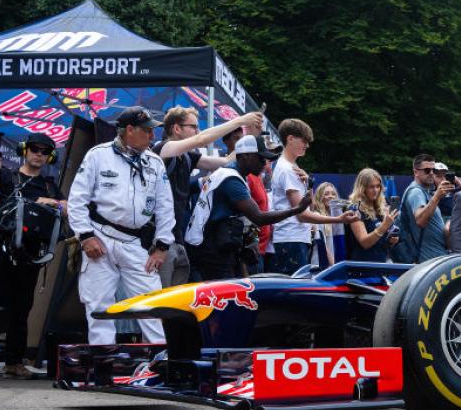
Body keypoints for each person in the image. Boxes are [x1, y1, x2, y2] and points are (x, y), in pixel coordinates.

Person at [69, 107, 175, 347]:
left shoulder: (155, 163)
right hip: (101, 236)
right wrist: (85, 237)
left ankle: (160, 362)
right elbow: (77, 199)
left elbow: (166, 208)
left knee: (152, 303)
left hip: (136, 243)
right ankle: (102, 363)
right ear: (129, 130)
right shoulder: (98, 155)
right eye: (148, 130)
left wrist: (162, 246)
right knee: (98, 305)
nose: (153, 136)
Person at [0, 132, 66, 383]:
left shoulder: (48, 184)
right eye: (35, 149)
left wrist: (52, 201)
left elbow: (69, 207)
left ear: (50, 156)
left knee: (21, 308)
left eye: (45, 151)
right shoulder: (7, 175)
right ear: (25, 149)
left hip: (30, 252)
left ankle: (14, 361)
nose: (39, 154)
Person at [152, 107, 260, 286]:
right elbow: (203, 139)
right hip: (160, 239)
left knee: (175, 301)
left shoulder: (187, 156)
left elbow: (227, 163)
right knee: (158, 299)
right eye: (193, 127)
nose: (198, 131)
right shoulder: (164, 149)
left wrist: (251, 139)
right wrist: (241, 121)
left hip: (177, 238)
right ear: (176, 129)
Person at [186, 135, 310, 281]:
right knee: (223, 299)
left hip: (209, 247)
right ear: (245, 156)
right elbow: (258, 217)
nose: (264, 162)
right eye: (260, 158)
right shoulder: (231, 179)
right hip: (210, 251)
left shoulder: (230, 174)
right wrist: (297, 209)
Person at [267, 119, 357, 274]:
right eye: (304, 140)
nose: (307, 145)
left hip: (294, 238)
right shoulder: (287, 169)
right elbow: (302, 215)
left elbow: (309, 207)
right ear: (290, 139)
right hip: (291, 238)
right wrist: (338, 219)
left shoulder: (291, 167)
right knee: (294, 293)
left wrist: (308, 184)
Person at [396, 153, 452, 263]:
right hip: (427, 261)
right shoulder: (415, 192)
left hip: (434, 258)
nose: (431, 173)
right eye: (427, 170)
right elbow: (420, 220)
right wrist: (437, 197)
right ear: (416, 172)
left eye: (433, 170)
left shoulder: (424, 192)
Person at [346, 168, 399, 262]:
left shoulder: (380, 208)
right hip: (363, 269)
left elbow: (381, 242)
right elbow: (365, 243)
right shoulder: (355, 209)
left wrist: (392, 240)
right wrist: (384, 226)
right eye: (371, 187)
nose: (376, 190)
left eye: (378, 186)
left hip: (381, 264)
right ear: (362, 188)